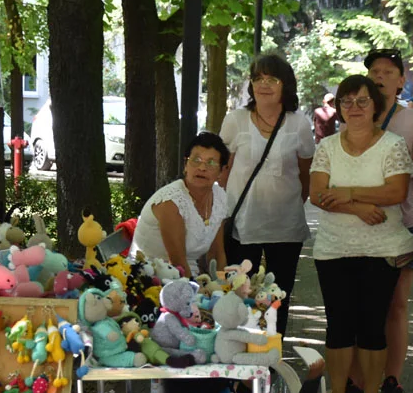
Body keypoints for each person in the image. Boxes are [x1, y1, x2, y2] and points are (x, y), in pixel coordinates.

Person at [310, 75, 413, 393]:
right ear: (338, 107)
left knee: (372, 328)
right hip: (333, 249)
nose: (354, 108)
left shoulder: (393, 145)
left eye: (362, 101)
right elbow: (317, 194)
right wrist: (360, 207)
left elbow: (396, 191)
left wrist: (346, 193)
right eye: (347, 101)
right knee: (339, 328)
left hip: (381, 250)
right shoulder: (327, 147)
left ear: (375, 106)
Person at [345, 48, 413, 393]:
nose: (380, 76)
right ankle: (354, 381)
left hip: (405, 224)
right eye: (374, 70)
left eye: (388, 71)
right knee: (359, 307)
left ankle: (392, 380)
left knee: (395, 305)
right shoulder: (353, 113)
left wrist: (401, 165)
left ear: (401, 80)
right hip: (358, 226)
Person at [220, 54, 315, 335]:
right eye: (258, 78)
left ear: (285, 85)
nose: (264, 85)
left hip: (285, 226)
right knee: (239, 294)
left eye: (272, 79)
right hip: (241, 224)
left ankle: (271, 357)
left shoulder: (298, 123)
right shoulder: (235, 120)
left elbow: (305, 173)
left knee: (277, 298)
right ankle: (237, 356)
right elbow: (223, 171)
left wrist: (287, 204)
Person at [129, 132, 230, 278]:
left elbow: (216, 252)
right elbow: (177, 262)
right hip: (151, 276)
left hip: (190, 273)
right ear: (185, 165)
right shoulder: (171, 202)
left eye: (211, 163)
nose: (202, 168)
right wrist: (204, 294)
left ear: (222, 171)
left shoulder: (220, 197)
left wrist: (223, 285)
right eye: (196, 160)